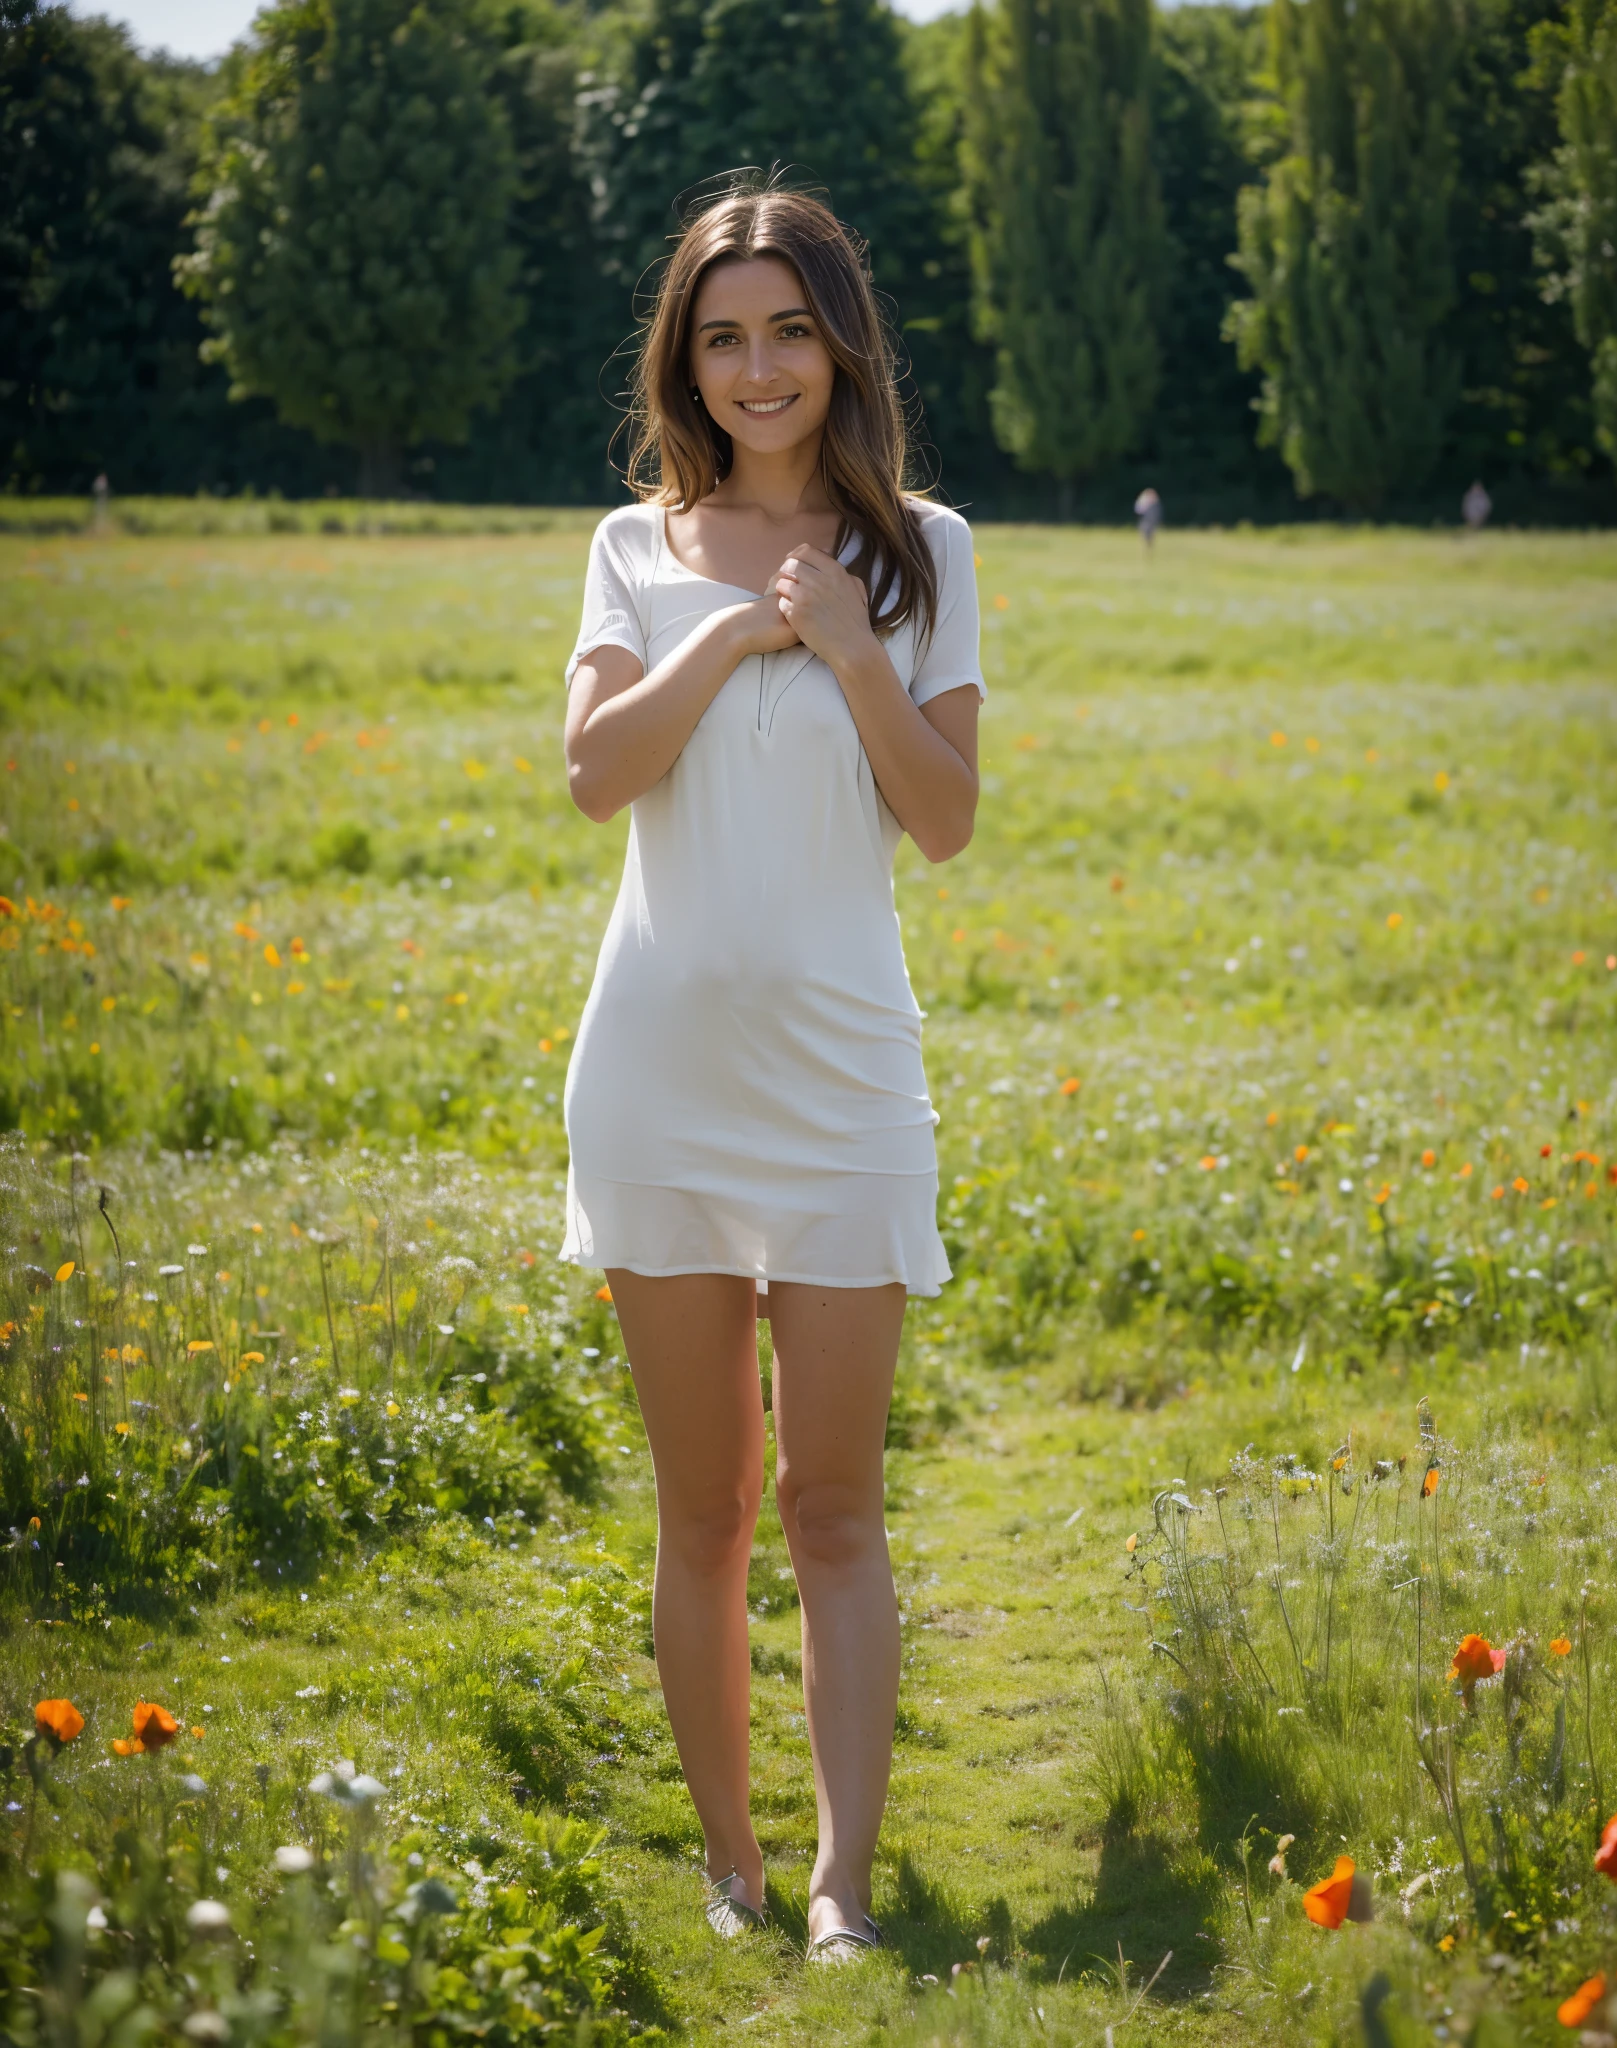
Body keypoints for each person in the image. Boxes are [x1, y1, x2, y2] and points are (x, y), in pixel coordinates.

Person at [558, 178, 983, 1965]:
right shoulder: (628, 551)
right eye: (722, 336)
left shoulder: (928, 551)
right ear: (687, 358)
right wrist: (730, 631)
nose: (756, 368)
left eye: (787, 329)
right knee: (704, 1509)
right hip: (655, 1078)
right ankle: (731, 1870)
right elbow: (593, 773)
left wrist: (847, 647)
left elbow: (945, 817)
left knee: (832, 1504)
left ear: (838, 342)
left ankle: (840, 1892)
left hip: (844, 1087)